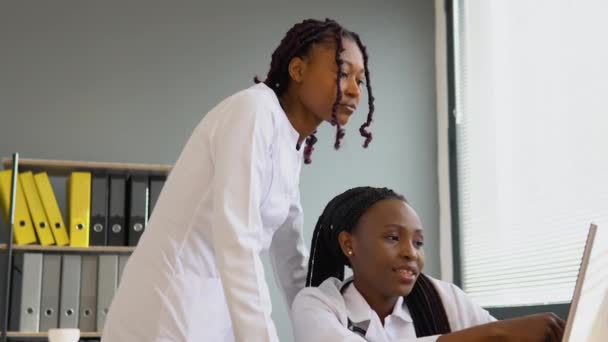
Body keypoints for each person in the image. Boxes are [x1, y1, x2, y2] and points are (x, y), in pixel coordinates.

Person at [100, 18, 375, 342]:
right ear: (298, 70)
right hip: (167, 310)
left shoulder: (290, 143)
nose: (356, 90)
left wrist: (319, 323)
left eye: (360, 79)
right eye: (343, 74)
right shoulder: (254, 112)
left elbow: (291, 256)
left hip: (214, 311)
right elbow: (237, 238)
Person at [292, 186, 566, 342]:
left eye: (418, 243)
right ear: (348, 244)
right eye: (393, 237)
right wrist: (499, 332)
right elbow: (497, 336)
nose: (411, 253)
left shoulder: (445, 298)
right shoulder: (316, 304)